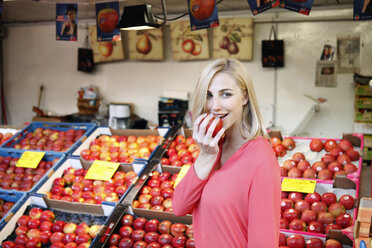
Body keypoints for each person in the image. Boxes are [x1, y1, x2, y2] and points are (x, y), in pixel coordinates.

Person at [172, 58, 281, 247]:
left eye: (226, 95)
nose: (215, 106)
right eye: (208, 95)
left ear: (245, 97)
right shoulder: (214, 146)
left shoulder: (261, 160)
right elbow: (179, 206)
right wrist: (206, 156)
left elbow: (263, 243)